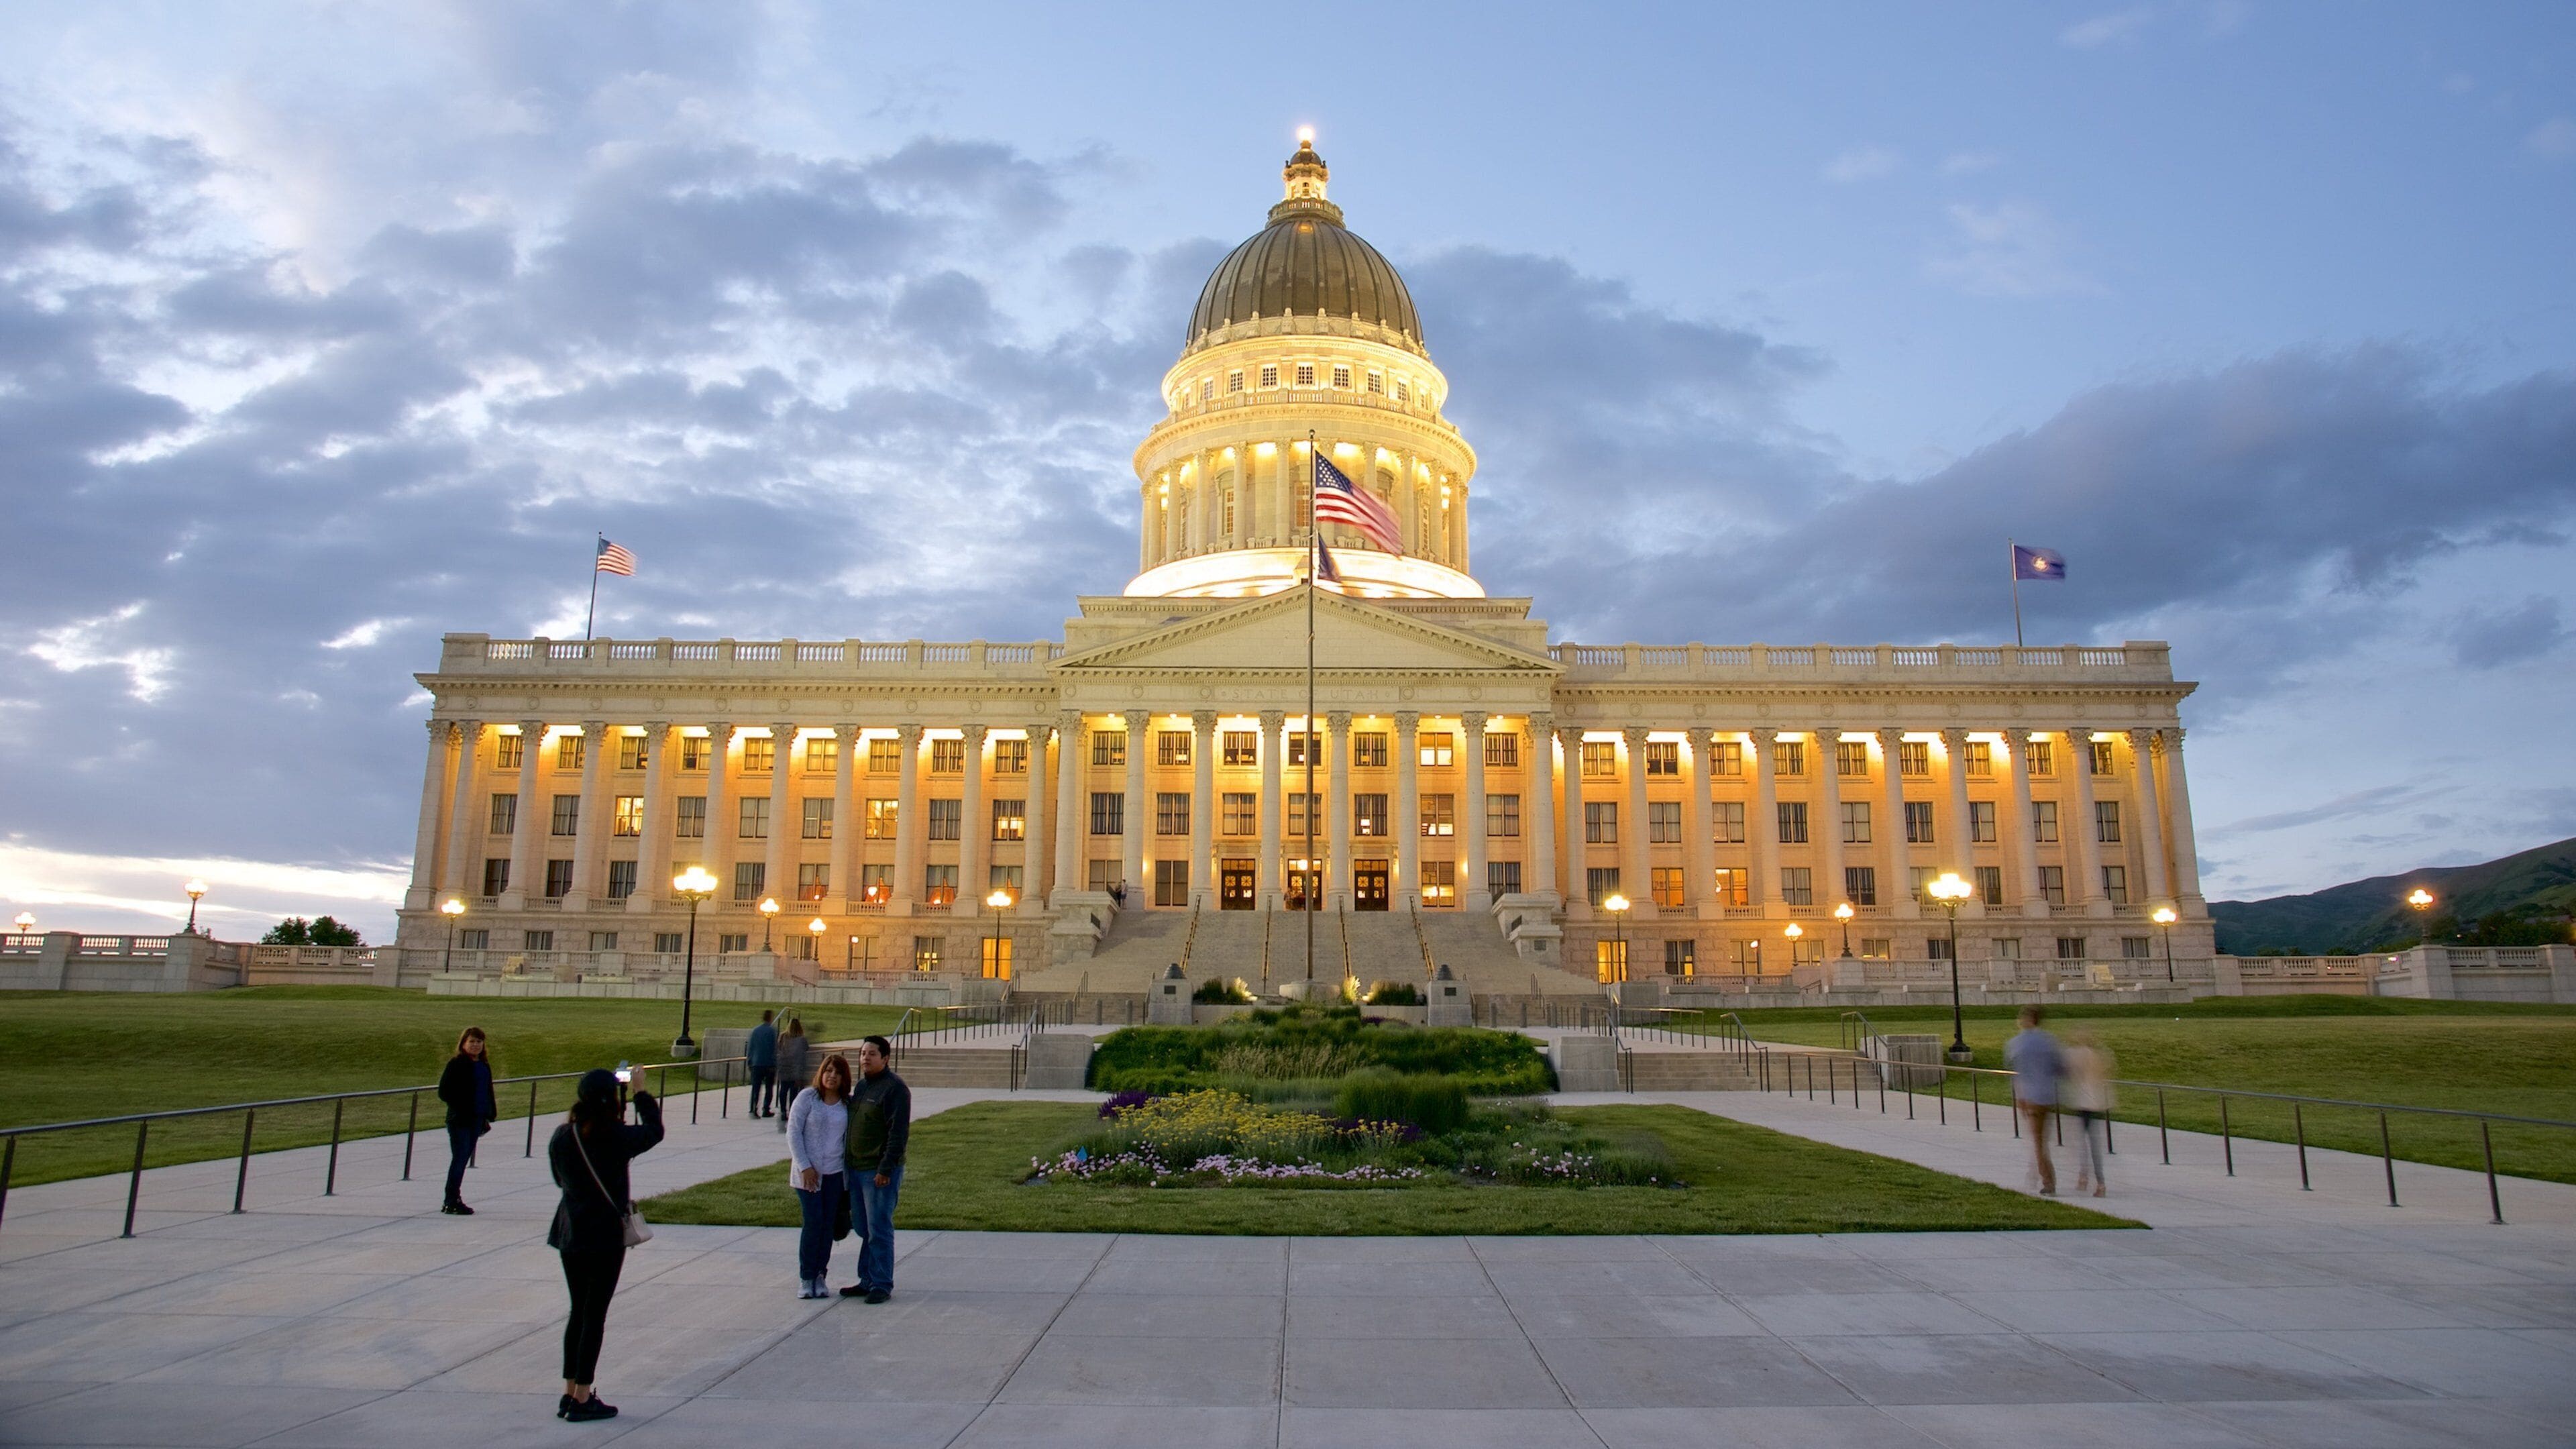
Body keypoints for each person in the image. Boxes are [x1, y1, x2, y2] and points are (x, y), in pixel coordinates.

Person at [546, 1068, 663, 1422]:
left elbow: (558, 1179)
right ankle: (583, 1397)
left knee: (578, 1311)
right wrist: (641, 1093)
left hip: (570, 1231)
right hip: (604, 1235)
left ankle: (570, 1392)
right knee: (595, 1315)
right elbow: (654, 1132)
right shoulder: (614, 1135)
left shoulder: (563, 1135)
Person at [839, 1035, 910, 1303]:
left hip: (878, 1172)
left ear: (886, 1058)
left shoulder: (895, 1089)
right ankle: (866, 1279)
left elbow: (898, 1133)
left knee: (879, 1227)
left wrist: (886, 1169)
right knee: (863, 1227)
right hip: (857, 1169)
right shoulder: (862, 1087)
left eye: (872, 1054)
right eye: (862, 1053)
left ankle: (881, 1283)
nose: (865, 1058)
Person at [788, 1053, 853, 1298]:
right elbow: (793, 1133)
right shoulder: (807, 1098)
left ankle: (820, 1275)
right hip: (808, 1175)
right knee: (813, 1223)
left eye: (837, 1072)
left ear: (844, 1077)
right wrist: (805, 1166)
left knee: (827, 1226)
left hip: (835, 1174)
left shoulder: (848, 1104)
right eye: (828, 1071)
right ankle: (806, 1277)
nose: (832, 1076)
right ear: (821, 1073)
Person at [2003, 1005, 2065, 1195]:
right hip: (2048, 1095)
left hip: (2031, 1097)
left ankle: (2048, 1182)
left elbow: (2015, 1071)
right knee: (2041, 1139)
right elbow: (2061, 1068)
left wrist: (2019, 1097)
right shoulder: (2049, 1041)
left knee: (2039, 1141)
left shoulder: (2017, 1043)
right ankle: (2036, 1172)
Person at [435, 1026, 496, 1214]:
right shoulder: (457, 1064)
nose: (476, 1045)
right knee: (460, 1159)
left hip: (477, 1120)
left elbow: (487, 1091)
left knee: (463, 1159)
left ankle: (453, 1197)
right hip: (460, 1120)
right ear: (463, 1043)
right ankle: (451, 1200)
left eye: (479, 1041)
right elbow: (444, 1092)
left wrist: (488, 1114)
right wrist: (463, 1106)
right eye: (472, 1041)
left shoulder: (483, 1065)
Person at [2063, 1026, 2116, 1197]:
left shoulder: (2076, 1054)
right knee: (2094, 1142)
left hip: (2083, 1101)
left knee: (2083, 1142)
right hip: (2097, 1101)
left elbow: (2070, 1072)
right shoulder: (2099, 1055)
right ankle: (2099, 1182)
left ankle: (2085, 1176)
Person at [773, 1016, 812, 1136]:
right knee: (794, 1093)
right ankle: (792, 1112)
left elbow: (778, 1050)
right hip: (795, 1071)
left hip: (784, 1069)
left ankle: (783, 1111)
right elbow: (803, 1054)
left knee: (783, 1091)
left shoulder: (783, 1037)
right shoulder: (801, 1040)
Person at [744, 1010, 780, 1118]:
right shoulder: (773, 1031)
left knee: (756, 1088)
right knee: (769, 1088)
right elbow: (775, 1048)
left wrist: (750, 1061)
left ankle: (753, 1109)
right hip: (769, 1064)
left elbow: (751, 1048)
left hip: (757, 1063)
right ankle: (766, 1109)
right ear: (770, 1018)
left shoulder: (755, 1031)